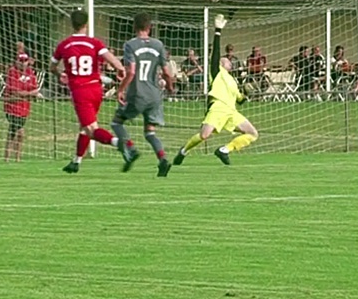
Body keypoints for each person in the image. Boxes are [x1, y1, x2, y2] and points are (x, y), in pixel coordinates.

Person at [173, 14, 260, 167]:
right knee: (204, 135)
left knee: (253, 133)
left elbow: (240, 100)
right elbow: (215, 55)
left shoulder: (233, 81)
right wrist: (218, 31)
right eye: (225, 60)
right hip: (218, 107)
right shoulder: (217, 72)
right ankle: (184, 151)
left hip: (231, 111)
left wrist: (247, 93)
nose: (228, 61)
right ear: (221, 63)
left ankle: (224, 150)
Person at [54, 9, 128, 174]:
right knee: (84, 127)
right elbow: (112, 59)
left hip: (81, 91)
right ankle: (76, 162)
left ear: (72, 24)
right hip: (96, 89)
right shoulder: (94, 43)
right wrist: (120, 69)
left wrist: (60, 75)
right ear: (86, 24)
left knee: (91, 129)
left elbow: (52, 66)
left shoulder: (64, 45)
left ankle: (121, 144)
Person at [112, 13, 174, 177]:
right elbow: (167, 72)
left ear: (134, 27)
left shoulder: (130, 45)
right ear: (149, 27)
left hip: (137, 94)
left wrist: (120, 89)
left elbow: (131, 71)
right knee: (150, 132)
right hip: (154, 95)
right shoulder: (158, 45)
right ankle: (162, 159)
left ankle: (131, 149)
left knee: (117, 122)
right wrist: (170, 87)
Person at [3, 53, 40, 162]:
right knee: (17, 132)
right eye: (21, 61)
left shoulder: (30, 73)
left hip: (24, 107)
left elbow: (35, 89)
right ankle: (9, 157)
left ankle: (14, 157)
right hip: (12, 106)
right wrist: (29, 94)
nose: (23, 63)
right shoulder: (12, 72)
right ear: (16, 61)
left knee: (16, 133)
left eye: (25, 61)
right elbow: (15, 91)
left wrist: (28, 94)